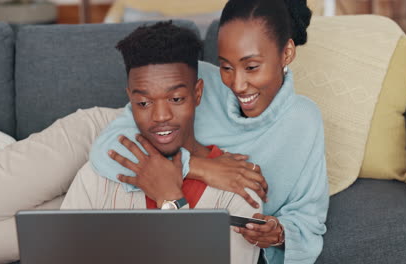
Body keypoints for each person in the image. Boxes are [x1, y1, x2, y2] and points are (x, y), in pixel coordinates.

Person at [89, 0, 329, 263]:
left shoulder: (304, 121)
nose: (237, 84)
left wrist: (278, 233)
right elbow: (109, 148)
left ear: (286, 54)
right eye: (226, 67)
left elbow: (308, 217)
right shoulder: (198, 83)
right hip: (96, 125)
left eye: (251, 67)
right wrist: (201, 167)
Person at [61, 21, 262, 264]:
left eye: (176, 98)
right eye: (144, 103)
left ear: (197, 94)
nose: (160, 117)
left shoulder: (239, 191)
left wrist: (171, 201)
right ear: (130, 100)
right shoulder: (97, 177)